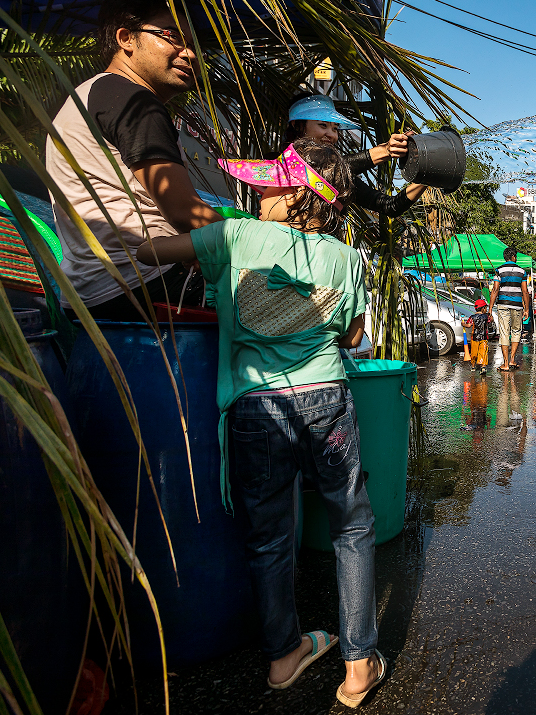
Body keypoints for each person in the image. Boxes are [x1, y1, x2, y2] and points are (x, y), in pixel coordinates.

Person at [135, 139, 386, 706]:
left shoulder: (233, 236)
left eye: (272, 182)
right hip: (327, 401)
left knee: (269, 538)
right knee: (352, 527)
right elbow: (351, 340)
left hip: (256, 408)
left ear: (296, 189)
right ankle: (357, 665)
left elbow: (150, 252)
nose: (259, 187)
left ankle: (282, 658)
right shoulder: (347, 260)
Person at [46, 0, 223, 320]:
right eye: (172, 36)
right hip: (146, 283)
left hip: (91, 292)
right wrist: (260, 243)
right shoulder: (132, 99)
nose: (190, 54)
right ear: (126, 38)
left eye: (194, 45)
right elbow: (186, 212)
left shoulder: (91, 94)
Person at [281, 93, 426, 218]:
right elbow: (325, 168)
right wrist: (386, 150)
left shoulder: (340, 175)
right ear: (297, 125)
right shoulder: (278, 165)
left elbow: (390, 206)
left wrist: (428, 173)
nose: (332, 135)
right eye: (323, 125)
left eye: (335, 129)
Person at [490, 246, 530, 372]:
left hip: (503, 304)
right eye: (516, 256)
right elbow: (525, 291)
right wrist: (527, 309)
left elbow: (495, 289)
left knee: (504, 332)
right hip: (517, 305)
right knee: (516, 331)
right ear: (513, 257)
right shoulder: (522, 272)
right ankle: (512, 360)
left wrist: (490, 308)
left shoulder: (499, 270)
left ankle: (505, 363)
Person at [463, 299, 497, 375]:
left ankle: (473, 366)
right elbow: (491, 320)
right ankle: (483, 366)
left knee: (474, 352)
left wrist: (463, 324)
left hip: (474, 338)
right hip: (484, 337)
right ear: (482, 308)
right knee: (484, 352)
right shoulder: (486, 317)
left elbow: (468, 325)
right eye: (485, 308)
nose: (486, 310)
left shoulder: (472, 317)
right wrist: (490, 315)